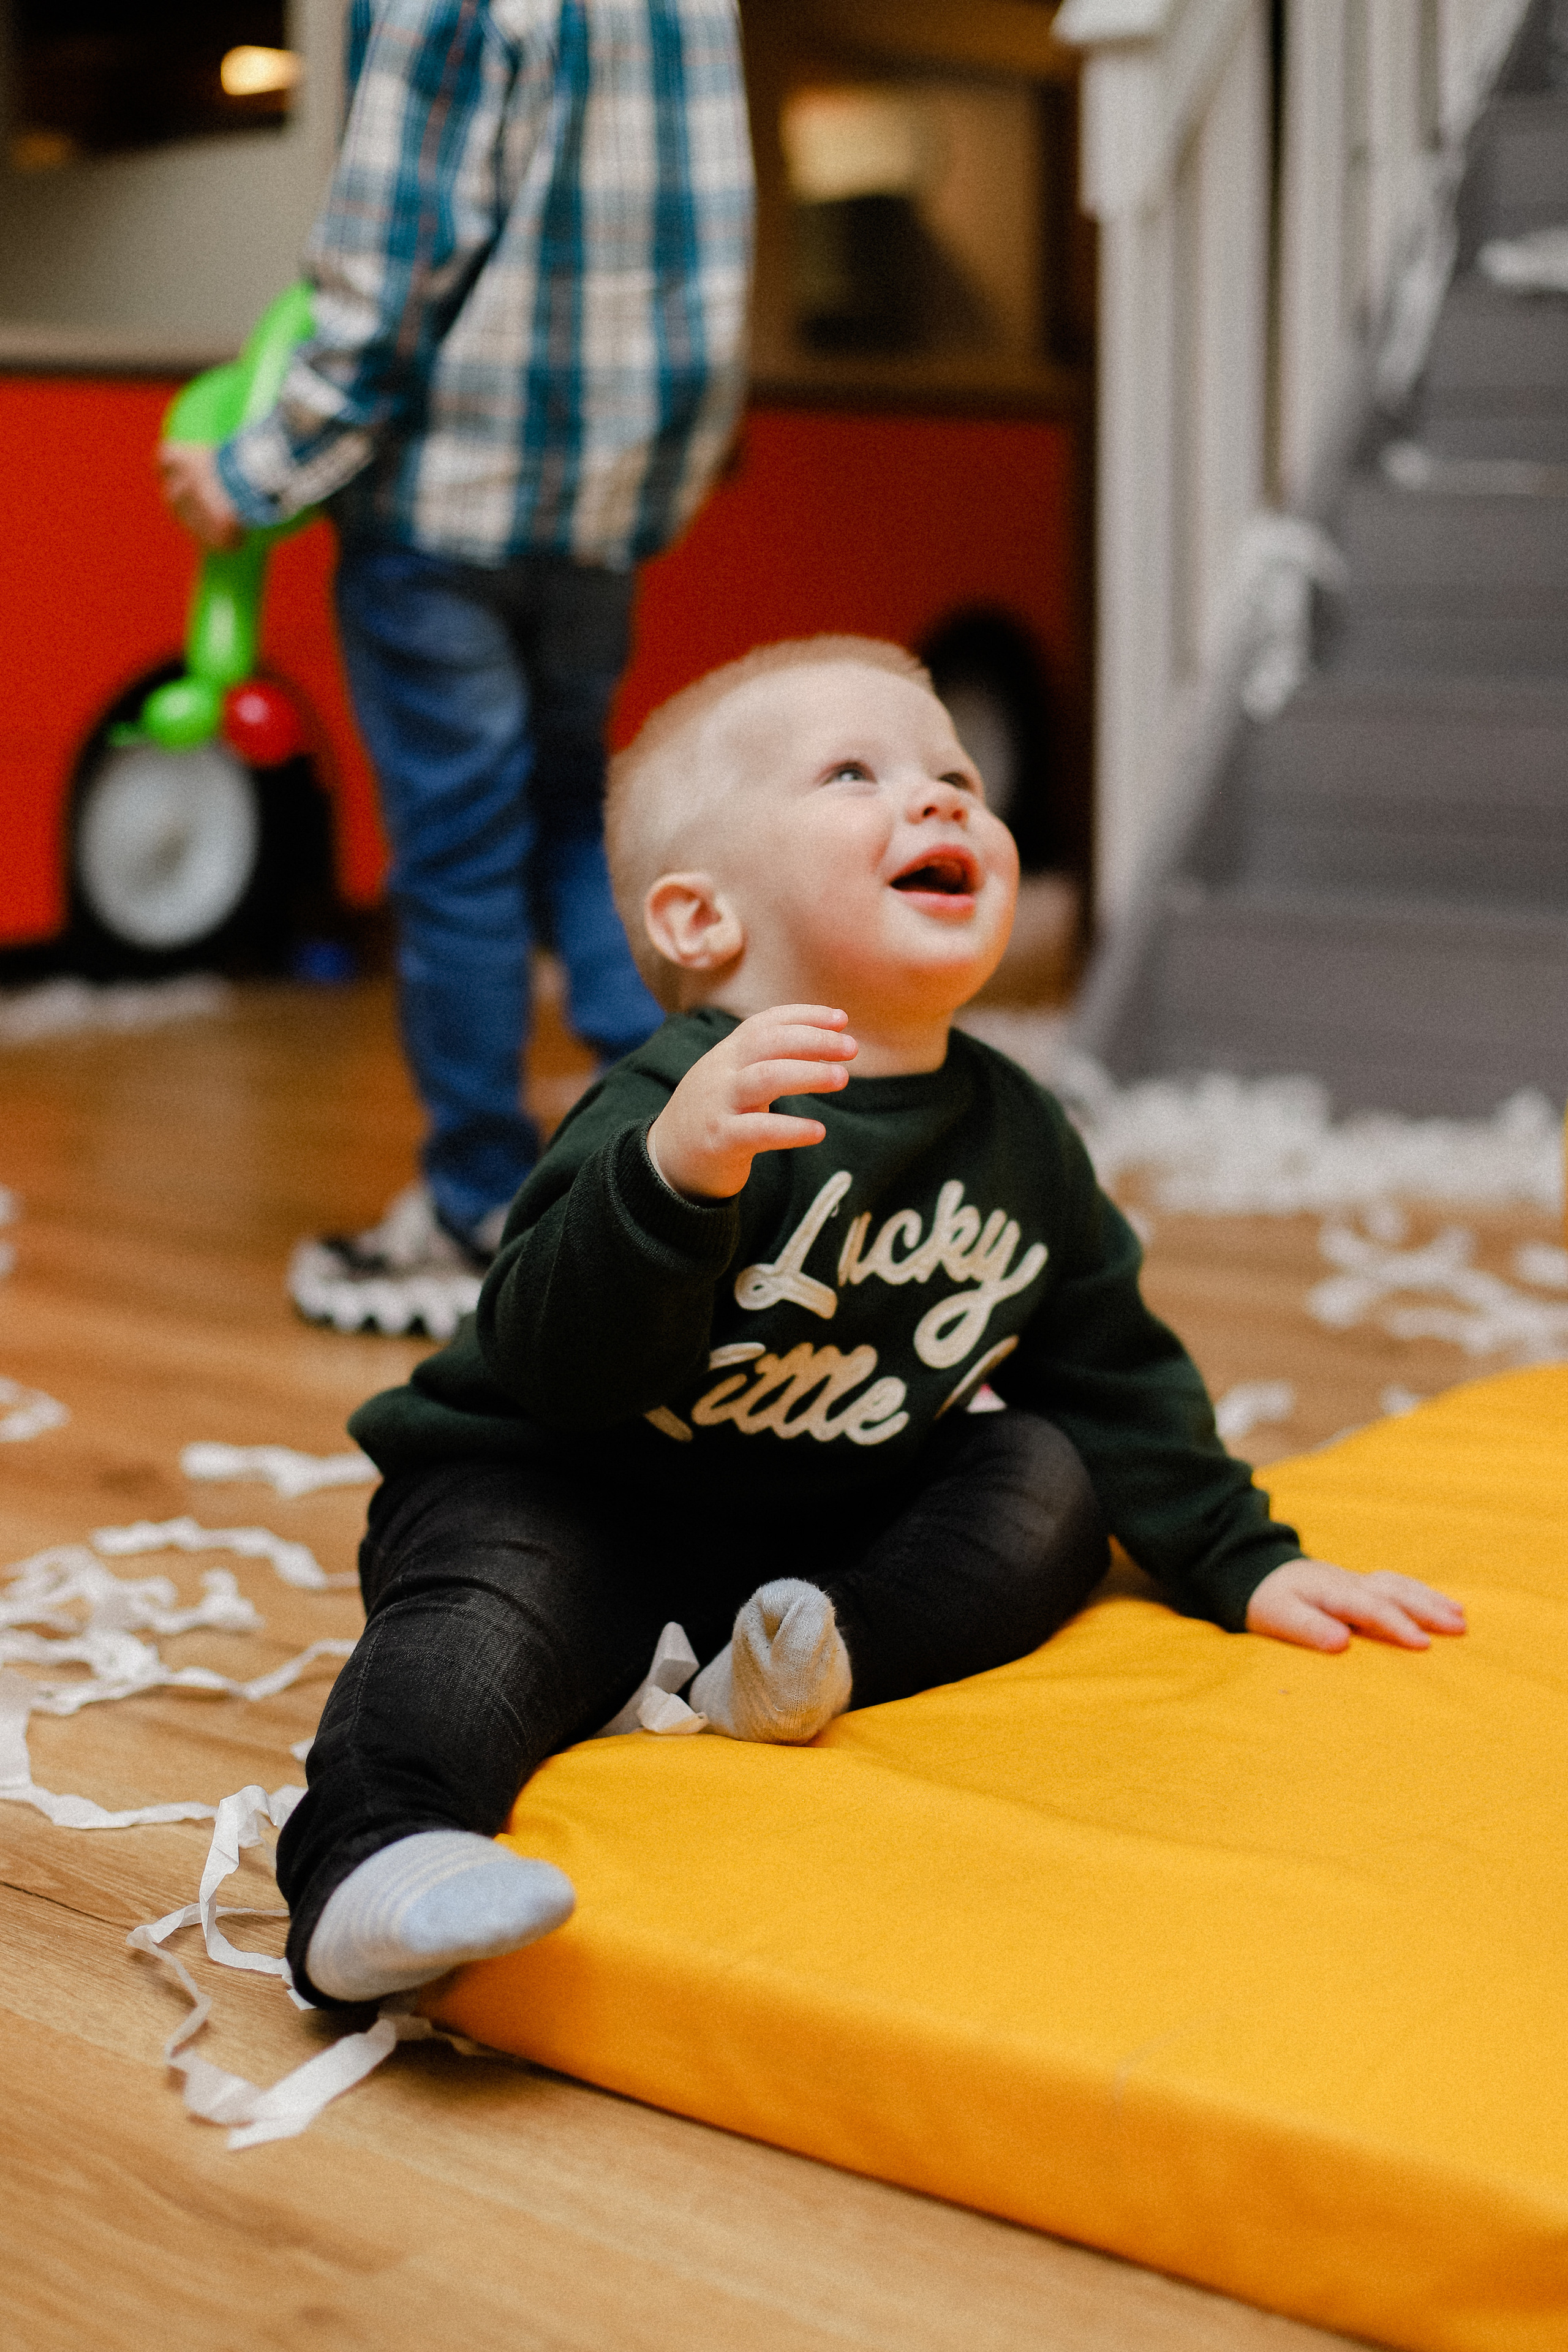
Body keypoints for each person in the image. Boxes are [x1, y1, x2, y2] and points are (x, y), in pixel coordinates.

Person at [271, 635, 1468, 2010]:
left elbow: (1110, 1368)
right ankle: (377, 1859)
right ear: (699, 922)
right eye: (856, 774)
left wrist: (1241, 1559)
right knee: (477, 1627)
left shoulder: (1019, 1133)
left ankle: (807, 1658)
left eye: (955, 773)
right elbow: (554, 1365)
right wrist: (670, 1181)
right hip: (563, 1491)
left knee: (1048, 1477)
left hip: (816, 1524)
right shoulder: (669, 1105)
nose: (943, 798)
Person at [158, 0, 755, 1338]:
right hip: (598, 510)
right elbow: (708, 266)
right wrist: (661, 481)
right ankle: (673, 1151)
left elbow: (383, 274)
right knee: (576, 823)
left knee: (460, 856)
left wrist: (255, 474)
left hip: (441, 513)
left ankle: (481, 1200)